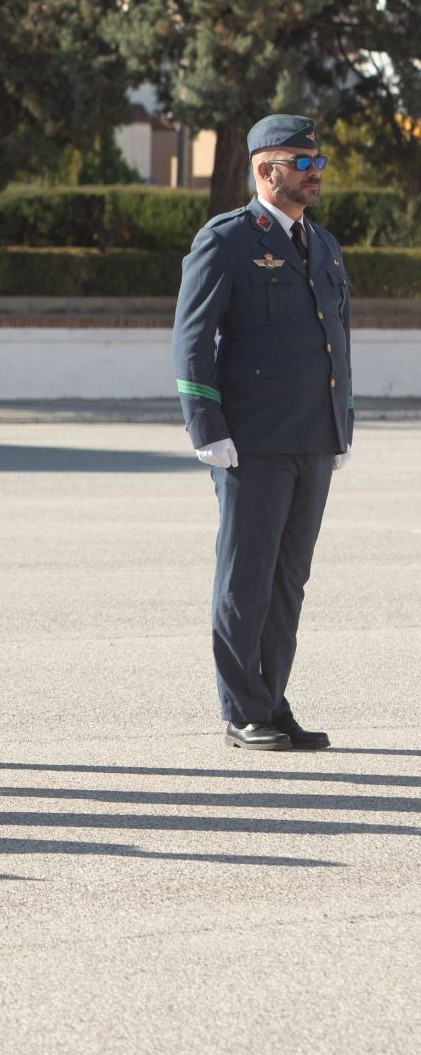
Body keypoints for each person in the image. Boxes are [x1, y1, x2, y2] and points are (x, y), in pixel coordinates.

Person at [173, 113, 352, 752]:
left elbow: (336, 342)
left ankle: (273, 700)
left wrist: (341, 424)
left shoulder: (322, 244)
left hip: (311, 436)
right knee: (245, 576)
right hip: (251, 440)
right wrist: (206, 427)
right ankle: (242, 708)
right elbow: (191, 341)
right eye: (300, 163)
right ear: (263, 169)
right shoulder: (227, 240)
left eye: (318, 163)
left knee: (288, 578)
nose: (313, 174)